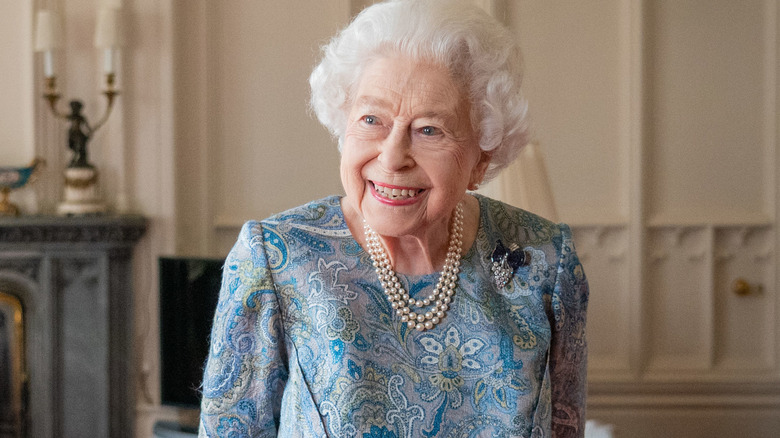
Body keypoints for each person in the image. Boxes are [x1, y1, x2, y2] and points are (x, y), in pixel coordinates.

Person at [199, 1, 588, 437]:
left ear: (482, 156)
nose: (392, 157)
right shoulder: (276, 259)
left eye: (429, 130)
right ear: (343, 126)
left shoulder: (543, 260)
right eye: (371, 120)